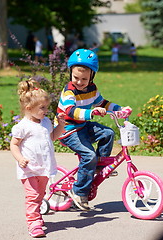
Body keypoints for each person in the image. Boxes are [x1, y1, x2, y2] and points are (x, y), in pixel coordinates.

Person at [55, 49, 131, 211]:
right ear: (70, 74)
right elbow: (70, 111)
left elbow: (103, 103)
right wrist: (91, 112)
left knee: (108, 134)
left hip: (82, 126)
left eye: (84, 78)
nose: (80, 82)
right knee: (88, 155)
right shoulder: (69, 91)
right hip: (67, 128)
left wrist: (120, 108)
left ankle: (99, 165)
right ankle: (79, 191)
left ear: (92, 77)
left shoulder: (92, 88)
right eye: (76, 78)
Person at [10, 79, 65, 238]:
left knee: (40, 195)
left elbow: (53, 137)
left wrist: (60, 126)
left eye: (46, 107)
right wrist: (20, 158)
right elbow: (14, 145)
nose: (46, 110)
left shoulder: (46, 122)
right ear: (29, 108)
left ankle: (36, 217)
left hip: (44, 166)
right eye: (42, 108)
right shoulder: (23, 126)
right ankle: (33, 223)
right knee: (33, 196)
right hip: (28, 168)